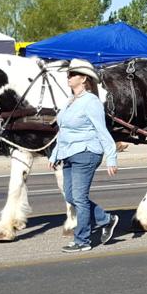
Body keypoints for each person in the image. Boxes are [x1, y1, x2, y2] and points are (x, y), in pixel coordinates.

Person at [48, 59, 119, 252]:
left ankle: (82, 241)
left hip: (86, 153)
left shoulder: (91, 102)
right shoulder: (70, 102)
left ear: (84, 78)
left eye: (72, 74)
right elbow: (63, 131)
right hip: (68, 154)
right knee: (71, 196)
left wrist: (111, 157)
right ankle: (106, 219)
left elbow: (102, 131)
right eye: (68, 74)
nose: (68, 77)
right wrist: (54, 154)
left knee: (79, 198)